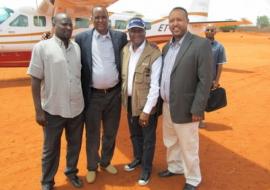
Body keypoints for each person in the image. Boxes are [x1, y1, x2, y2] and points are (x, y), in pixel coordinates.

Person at [158, 7, 213, 190]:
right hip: (167, 104)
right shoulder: (166, 47)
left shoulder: (200, 44)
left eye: (179, 20)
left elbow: (205, 80)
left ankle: (193, 179)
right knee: (171, 140)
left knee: (189, 145)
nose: (175, 24)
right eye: (172, 20)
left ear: (187, 21)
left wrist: (198, 108)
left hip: (187, 106)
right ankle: (175, 167)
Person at [27, 13, 84, 190]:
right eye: (64, 24)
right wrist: (38, 110)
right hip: (53, 109)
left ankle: (71, 172)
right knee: (50, 149)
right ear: (54, 24)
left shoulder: (76, 48)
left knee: (74, 145)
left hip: (76, 108)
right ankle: (47, 181)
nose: (68, 27)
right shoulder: (42, 47)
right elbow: (35, 80)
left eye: (70, 25)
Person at [75, 6, 128, 183]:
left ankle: (105, 162)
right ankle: (92, 166)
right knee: (92, 133)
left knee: (111, 132)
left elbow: (129, 55)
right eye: (97, 17)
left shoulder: (120, 37)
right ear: (92, 19)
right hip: (93, 96)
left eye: (103, 17)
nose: (100, 21)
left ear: (108, 18)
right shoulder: (82, 38)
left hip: (114, 95)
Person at [121, 17, 162, 186]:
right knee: (134, 134)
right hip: (130, 101)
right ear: (128, 33)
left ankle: (146, 168)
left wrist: (146, 111)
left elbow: (155, 85)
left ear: (145, 32)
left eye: (139, 30)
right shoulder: (125, 50)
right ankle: (137, 158)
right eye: (133, 30)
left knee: (148, 138)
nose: (136, 33)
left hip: (147, 105)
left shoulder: (154, 53)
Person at [199, 24, 227, 128]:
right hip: (196, 77)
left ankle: (200, 120)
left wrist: (216, 80)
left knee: (203, 100)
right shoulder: (198, 44)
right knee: (195, 99)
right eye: (208, 30)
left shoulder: (219, 47)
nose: (209, 31)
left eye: (212, 30)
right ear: (204, 31)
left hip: (209, 79)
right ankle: (195, 119)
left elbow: (220, 65)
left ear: (215, 32)